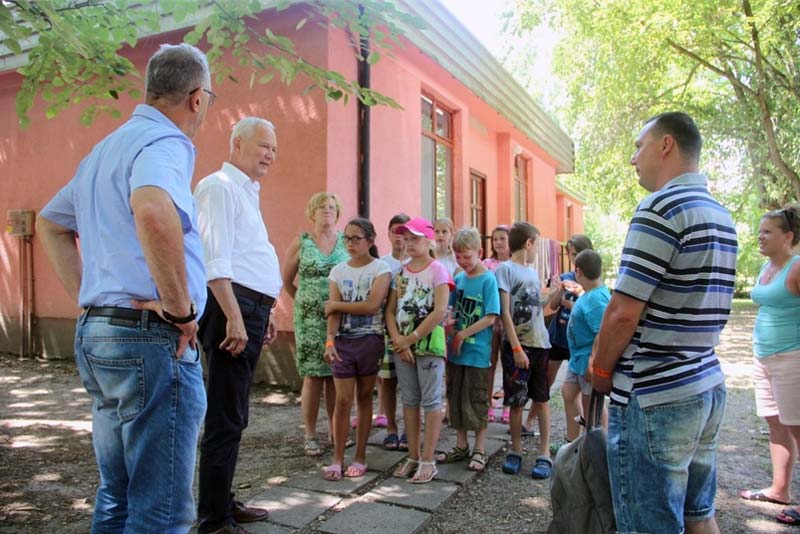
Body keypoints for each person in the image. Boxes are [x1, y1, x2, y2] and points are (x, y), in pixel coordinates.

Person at [35, 43, 211, 532]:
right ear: (197, 97)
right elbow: (153, 210)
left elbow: (50, 223)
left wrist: (89, 296)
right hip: (150, 341)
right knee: (161, 510)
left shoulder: (106, 148)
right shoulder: (166, 142)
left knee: (118, 493)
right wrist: (180, 312)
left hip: (101, 335)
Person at [590, 112, 738, 534]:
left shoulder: (660, 207)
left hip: (656, 392)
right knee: (699, 514)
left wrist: (601, 370)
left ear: (666, 145)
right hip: (705, 384)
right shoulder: (721, 215)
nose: (633, 158)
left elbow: (622, 311)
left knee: (646, 525)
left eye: (639, 146)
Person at [193, 117, 282, 533]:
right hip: (233, 307)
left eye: (274, 150)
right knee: (224, 418)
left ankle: (222, 502)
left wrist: (267, 311)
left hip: (250, 309)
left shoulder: (246, 192)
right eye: (263, 145)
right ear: (237, 143)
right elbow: (216, 261)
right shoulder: (219, 187)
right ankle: (213, 520)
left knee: (236, 415)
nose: (269, 154)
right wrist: (234, 315)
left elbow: (248, 256)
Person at [739, 205, 800, 527]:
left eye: (767, 232)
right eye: (759, 230)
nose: (760, 237)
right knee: (775, 423)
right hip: (764, 358)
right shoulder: (766, 268)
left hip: (793, 359)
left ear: (787, 236)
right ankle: (779, 489)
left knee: (798, 427)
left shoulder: (796, 267)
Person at [322, 218, 392, 480]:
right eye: (347, 238)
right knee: (342, 400)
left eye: (356, 238)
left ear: (370, 241)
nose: (350, 243)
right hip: (343, 343)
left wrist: (336, 305)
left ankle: (360, 456)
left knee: (364, 398)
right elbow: (332, 313)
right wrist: (330, 340)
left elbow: (372, 306)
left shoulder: (381, 269)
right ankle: (337, 457)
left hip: (371, 341)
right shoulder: (338, 272)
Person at [386, 217, 452, 483]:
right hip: (403, 348)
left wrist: (410, 338)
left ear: (428, 241)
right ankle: (412, 456)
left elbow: (439, 311)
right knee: (410, 401)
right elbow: (390, 311)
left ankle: (428, 459)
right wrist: (398, 341)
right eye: (407, 238)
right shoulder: (400, 273)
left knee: (432, 401)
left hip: (428, 348)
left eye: (415, 238)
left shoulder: (438, 271)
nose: (409, 243)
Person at [282, 192, 349, 456]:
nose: (327, 212)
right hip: (309, 318)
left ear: (338, 212)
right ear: (312, 213)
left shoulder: (345, 240)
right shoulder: (302, 242)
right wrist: (303, 300)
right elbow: (287, 279)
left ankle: (335, 430)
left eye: (332, 207)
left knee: (335, 375)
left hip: (339, 315)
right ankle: (310, 434)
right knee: (313, 375)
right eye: (321, 208)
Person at [435, 227, 499, 472]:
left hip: (477, 353)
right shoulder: (459, 278)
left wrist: (463, 333)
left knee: (477, 399)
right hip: (456, 352)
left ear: (479, 253)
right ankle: (461, 445)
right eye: (458, 257)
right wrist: (449, 326)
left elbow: (491, 317)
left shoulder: (488, 279)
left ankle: (480, 448)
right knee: (456, 397)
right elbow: (450, 310)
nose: (463, 262)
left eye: (467, 257)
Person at [496, 222, 553, 479]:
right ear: (528, 243)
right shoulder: (505, 270)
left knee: (542, 399)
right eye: (537, 245)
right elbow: (505, 312)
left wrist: (555, 295)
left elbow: (536, 306)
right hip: (518, 346)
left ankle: (544, 454)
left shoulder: (531, 273)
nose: (536, 251)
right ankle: (516, 450)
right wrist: (516, 347)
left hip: (541, 344)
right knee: (516, 401)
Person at [548, 234, 594, 441]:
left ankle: (590, 438)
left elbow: (590, 312)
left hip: (582, 345)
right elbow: (553, 306)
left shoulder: (592, 284)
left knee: (586, 395)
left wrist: (570, 304)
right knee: (552, 383)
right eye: (571, 254)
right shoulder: (567, 277)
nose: (574, 258)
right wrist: (559, 290)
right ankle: (572, 440)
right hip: (560, 337)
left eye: (577, 253)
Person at [564, 249, 609, 430]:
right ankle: (574, 439)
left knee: (591, 403)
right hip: (577, 359)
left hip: (586, 360)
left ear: (579, 271)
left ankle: (597, 439)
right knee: (568, 392)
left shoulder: (597, 299)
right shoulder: (591, 293)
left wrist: (592, 361)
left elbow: (602, 333)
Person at [378, 213, 411, 451]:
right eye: (395, 232)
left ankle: (410, 430)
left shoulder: (419, 262)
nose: (400, 238)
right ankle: (391, 428)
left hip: (413, 332)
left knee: (412, 385)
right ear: (388, 234)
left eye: (404, 233)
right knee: (388, 382)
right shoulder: (383, 264)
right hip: (387, 331)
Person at [483, 225, 511, 424]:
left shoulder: (515, 264)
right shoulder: (486, 265)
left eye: (502, 238)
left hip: (510, 321)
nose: (498, 242)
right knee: (490, 363)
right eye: (495, 239)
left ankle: (508, 406)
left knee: (509, 364)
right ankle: (488, 404)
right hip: (490, 320)